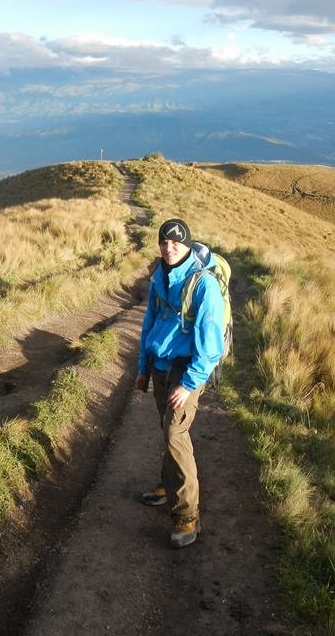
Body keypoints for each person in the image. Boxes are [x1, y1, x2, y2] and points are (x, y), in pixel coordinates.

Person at [135, 218, 225, 548]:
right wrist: (143, 367)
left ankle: (188, 516)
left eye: (176, 242)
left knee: (176, 432)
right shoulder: (160, 276)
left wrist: (188, 384)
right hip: (160, 367)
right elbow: (149, 323)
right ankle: (167, 485)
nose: (169, 247)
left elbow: (211, 346)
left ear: (187, 245)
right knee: (168, 429)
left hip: (185, 371)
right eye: (164, 242)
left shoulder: (203, 285)